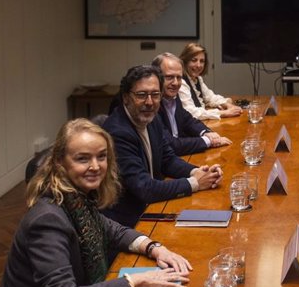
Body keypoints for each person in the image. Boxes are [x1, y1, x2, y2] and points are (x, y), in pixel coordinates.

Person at [0, 119, 192, 287]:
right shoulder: (47, 221)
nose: (96, 166)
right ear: (59, 162)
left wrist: (154, 247)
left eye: (101, 156)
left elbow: (113, 230)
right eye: (82, 158)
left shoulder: (75, 199)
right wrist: (134, 282)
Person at [103, 64, 223, 228]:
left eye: (155, 94)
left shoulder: (152, 119)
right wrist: (194, 183)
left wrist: (198, 172)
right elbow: (144, 188)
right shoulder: (117, 132)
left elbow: (168, 159)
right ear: (125, 97)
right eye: (141, 95)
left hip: (153, 206)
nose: (150, 102)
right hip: (128, 222)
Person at [152, 52, 232, 155]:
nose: (176, 83)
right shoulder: (152, 104)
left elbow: (187, 119)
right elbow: (171, 145)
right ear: (156, 77)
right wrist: (208, 141)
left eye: (179, 77)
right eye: (169, 77)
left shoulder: (172, 96)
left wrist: (206, 132)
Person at [179, 43, 243, 120]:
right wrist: (224, 113)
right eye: (194, 60)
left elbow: (210, 97)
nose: (198, 65)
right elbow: (191, 112)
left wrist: (226, 104)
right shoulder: (181, 82)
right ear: (185, 61)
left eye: (202, 61)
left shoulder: (197, 79)